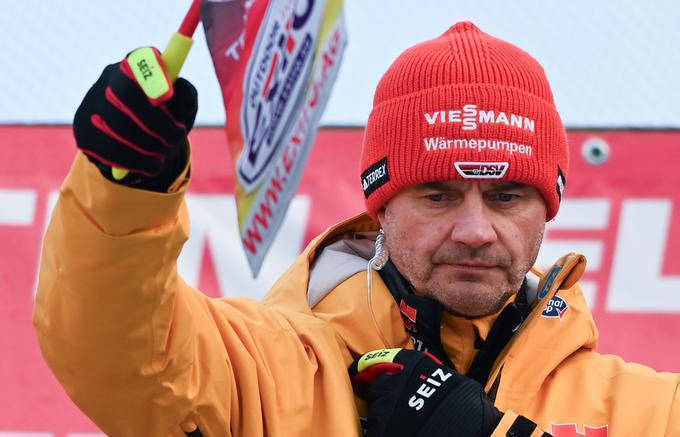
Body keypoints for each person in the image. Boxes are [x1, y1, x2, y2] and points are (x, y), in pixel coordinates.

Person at [34, 22, 679, 437]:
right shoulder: (271, 372)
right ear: (379, 205)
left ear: (549, 208)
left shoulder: (647, 412)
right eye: (439, 194)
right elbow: (115, 351)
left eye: (507, 196)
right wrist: (129, 188)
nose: (476, 229)